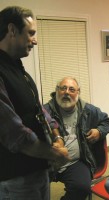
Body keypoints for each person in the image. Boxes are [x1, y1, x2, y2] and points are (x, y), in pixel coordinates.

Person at [0, 6, 69, 200]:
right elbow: (14, 133)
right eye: (31, 33)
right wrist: (55, 154)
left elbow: (39, 111)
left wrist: (57, 137)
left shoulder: (20, 71)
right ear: (12, 30)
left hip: (38, 170)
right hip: (16, 179)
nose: (35, 40)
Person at [44, 77, 109, 200]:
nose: (66, 92)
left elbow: (107, 122)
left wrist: (99, 131)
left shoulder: (88, 110)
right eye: (63, 88)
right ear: (57, 90)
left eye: (71, 89)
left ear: (78, 92)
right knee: (34, 189)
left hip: (75, 162)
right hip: (48, 163)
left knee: (82, 188)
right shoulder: (45, 111)